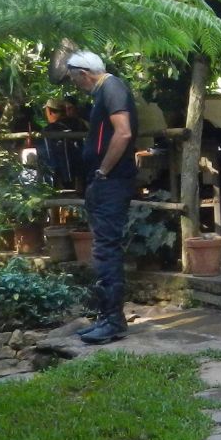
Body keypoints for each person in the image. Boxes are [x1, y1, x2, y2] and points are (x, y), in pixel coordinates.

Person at [65, 50, 138, 345]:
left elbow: (123, 133)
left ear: (84, 74)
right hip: (106, 182)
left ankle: (113, 321)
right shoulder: (105, 91)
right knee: (102, 249)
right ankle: (106, 316)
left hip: (112, 182)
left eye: (74, 78)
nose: (74, 84)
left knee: (107, 249)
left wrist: (104, 171)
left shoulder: (112, 88)